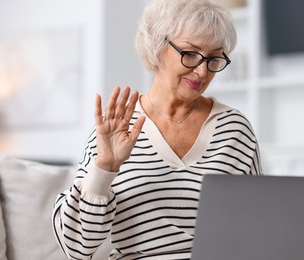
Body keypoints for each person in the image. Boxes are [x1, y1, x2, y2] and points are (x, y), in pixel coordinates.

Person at [52, 0, 263, 259]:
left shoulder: (234, 129)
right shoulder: (117, 128)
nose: (201, 71)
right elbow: (75, 247)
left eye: (214, 58)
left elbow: (257, 227)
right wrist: (105, 167)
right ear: (158, 47)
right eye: (190, 53)